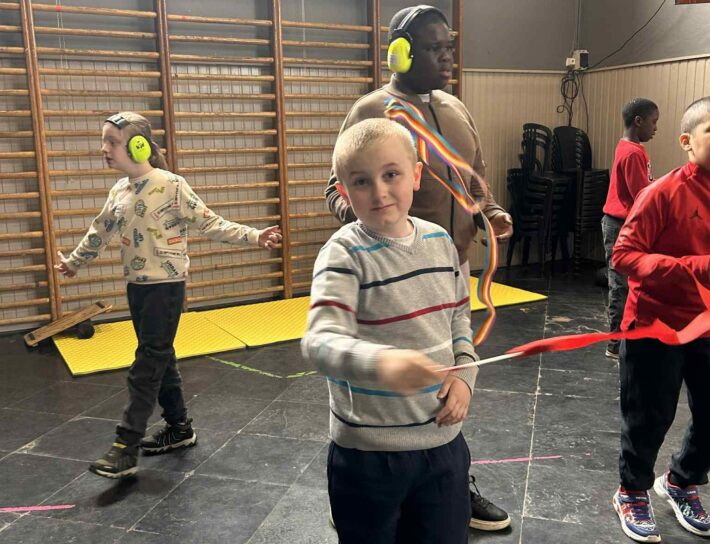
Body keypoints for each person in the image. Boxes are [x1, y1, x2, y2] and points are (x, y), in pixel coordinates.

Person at [323, 4, 512, 531]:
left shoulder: (455, 107)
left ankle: (449, 482)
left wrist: (490, 211)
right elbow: (335, 186)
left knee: (449, 375)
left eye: (450, 47)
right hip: (388, 277)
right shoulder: (372, 110)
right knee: (397, 389)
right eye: (434, 48)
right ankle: (371, 491)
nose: (447, 58)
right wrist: (376, 225)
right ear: (401, 54)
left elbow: (474, 177)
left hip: (449, 267)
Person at [55, 112, 282, 479]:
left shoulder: (172, 186)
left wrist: (254, 236)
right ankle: (179, 428)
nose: (104, 149)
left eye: (112, 142)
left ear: (138, 146)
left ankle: (125, 445)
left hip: (166, 287)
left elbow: (211, 222)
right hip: (137, 288)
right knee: (161, 357)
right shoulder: (119, 191)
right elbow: (100, 232)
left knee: (147, 363)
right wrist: (74, 263)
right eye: (104, 141)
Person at [303, 118, 478, 543]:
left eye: (391, 174)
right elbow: (319, 342)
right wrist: (381, 363)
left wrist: (465, 376)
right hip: (368, 456)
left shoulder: (440, 242)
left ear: (415, 175)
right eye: (362, 181)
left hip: (442, 444)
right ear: (344, 191)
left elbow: (459, 317)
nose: (379, 192)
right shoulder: (343, 253)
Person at [611, 96, 710, 542]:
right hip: (656, 324)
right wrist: (694, 268)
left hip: (707, 324)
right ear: (687, 141)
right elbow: (624, 256)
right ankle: (631, 491)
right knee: (649, 417)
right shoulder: (662, 193)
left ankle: (681, 480)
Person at [601, 98, 658, 360]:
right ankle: (615, 344)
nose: (655, 128)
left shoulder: (629, 147)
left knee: (626, 283)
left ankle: (625, 338)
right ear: (638, 121)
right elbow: (640, 196)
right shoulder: (633, 152)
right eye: (653, 122)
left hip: (622, 224)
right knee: (620, 285)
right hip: (619, 226)